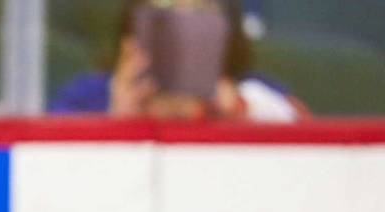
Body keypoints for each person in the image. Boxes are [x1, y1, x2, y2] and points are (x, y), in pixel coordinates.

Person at [53, 0, 305, 122]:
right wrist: (118, 119)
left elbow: (315, 149)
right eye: (165, 13)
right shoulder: (89, 93)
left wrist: (238, 109)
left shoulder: (251, 91)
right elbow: (43, 167)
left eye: (198, 13)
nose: (180, 35)